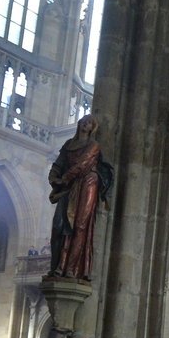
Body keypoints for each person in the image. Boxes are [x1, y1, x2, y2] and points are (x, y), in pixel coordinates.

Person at [47, 113, 113, 280]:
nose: (86, 124)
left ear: (93, 128)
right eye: (84, 121)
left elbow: (83, 164)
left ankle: (71, 269)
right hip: (67, 188)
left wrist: (64, 179)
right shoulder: (69, 144)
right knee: (59, 226)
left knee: (80, 226)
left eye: (90, 122)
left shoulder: (93, 145)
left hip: (87, 183)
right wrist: (53, 177)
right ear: (79, 123)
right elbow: (58, 164)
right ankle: (57, 266)